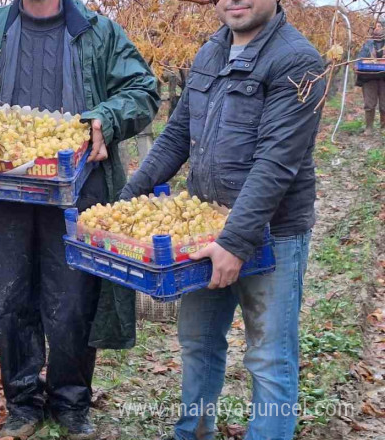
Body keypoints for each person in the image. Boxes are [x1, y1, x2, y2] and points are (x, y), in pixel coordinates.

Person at [0, 0, 159, 438]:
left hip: (75, 187)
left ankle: (71, 404)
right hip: (1, 190)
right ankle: (23, 405)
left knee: (72, 300)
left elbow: (143, 92)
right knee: (10, 296)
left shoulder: (99, 32)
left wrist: (106, 118)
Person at [120, 0, 324, 439]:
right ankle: (192, 432)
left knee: (269, 357)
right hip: (204, 228)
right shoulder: (212, 50)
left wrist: (233, 243)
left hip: (272, 235)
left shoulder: (298, 61)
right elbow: (177, 133)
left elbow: (275, 163)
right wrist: (127, 198)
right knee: (198, 342)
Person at [356, 21, 385, 135]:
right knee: (369, 103)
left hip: (384, 77)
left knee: (384, 104)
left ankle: (383, 127)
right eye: (375, 27)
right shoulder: (368, 44)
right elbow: (359, 58)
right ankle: (369, 128)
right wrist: (359, 64)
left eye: (380, 26)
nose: (377, 28)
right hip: (369, 76)